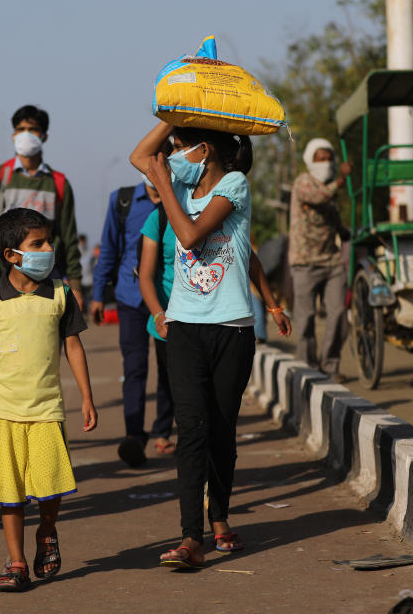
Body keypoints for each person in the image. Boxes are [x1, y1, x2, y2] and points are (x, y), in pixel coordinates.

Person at [130, 121, 291, 570]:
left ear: (205, 151)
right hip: (183, 327)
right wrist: (170, 115)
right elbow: (139, 156)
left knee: (222, 430)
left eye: (180, 147)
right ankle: (190, 537)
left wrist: (272, 305)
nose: (172, 155)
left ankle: (219, 515)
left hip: (231, 329)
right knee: (193, 430)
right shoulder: (177, 183)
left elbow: (192, 237)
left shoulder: (235, 184)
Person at [0, 207, 97, 592]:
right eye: (38, 243)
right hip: (1, 412)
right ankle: (16, 561)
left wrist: (86, 397)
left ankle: (47, 531)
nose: (48, 249)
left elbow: (74, 347)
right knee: (10, 492)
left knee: (49, 489)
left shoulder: (60, 294)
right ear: (11, 255)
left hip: (47, 411)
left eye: (48, 241)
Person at [90, 180, 174, 466]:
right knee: (134, 367)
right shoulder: (122, 200)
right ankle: (134, 437)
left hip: (168, 298)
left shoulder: (178, 198)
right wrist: (99, 295)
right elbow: (109, 248)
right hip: (130, 298)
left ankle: (163, 430)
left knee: (170, 368)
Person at [0, 105, 84, 309]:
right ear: (13, 135)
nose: (25, 135)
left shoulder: (58, 183)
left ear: (44, 136)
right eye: (20, 129)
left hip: (47, 278)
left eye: (32, 129)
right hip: (5, 279)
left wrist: (76, 285)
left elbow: (69, 237)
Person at [288, 138, 351, 383]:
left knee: (338, 314)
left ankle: (330, 365)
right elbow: (319, 198)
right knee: (305, 319)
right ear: (310, 160)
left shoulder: (330, 189)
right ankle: (308, 367)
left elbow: (331, 214)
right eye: (320, 158)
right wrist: (340, 181)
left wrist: (343, 231)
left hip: (331, 262)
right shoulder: (304, 182)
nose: (325, 163)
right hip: (304, 262)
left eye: (329, 158)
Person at [78, 233, 94, 307]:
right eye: (80, 241)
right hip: (80, 282)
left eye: (83, 241)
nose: (82, 243)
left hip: (89, 281)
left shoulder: (90, 253)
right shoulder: (76, 253)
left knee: (90, 301)